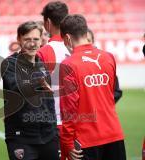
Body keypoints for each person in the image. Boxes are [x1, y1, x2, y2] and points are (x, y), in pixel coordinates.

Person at [59, 14, 126, 160]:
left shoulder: (68, 65)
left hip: (86, 140)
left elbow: (69, 108)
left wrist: (67, 142)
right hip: (114, 134)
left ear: (67, 38)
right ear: (85, 31)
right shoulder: (108, 57)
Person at [1, 21, 60, 160]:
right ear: (19, 40)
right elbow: (16, 86)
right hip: (21, 137)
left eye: (36, 39)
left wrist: (54, 132)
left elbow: (48, 102)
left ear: (41, 41)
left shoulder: (42, 64)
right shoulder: (9, 64)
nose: (32, 43)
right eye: (27, 39)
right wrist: (37, 81)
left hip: (48, 136)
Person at [37, 1, 70, 159]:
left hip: (54, 125)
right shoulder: (75, 48)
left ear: (48, 23)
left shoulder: (44, 52)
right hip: (79, 124)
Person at [87, 28, 123, 103]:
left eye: (88, 40)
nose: (86, 44)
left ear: (93, 42)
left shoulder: (105, 61)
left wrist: (104, 102)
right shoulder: (75, 64)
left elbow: (117, 91)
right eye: (83, 42)